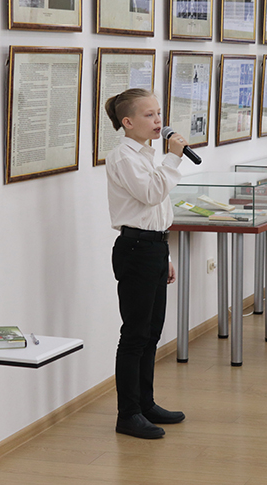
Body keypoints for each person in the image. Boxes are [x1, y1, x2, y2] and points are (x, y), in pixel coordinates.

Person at [104, 88, 188, 439]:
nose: (158, 121)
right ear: (128, 122)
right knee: (134, 335)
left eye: (158, 113)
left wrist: (165, 255)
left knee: (152, 333)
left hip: (153, 249)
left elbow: (155, 212)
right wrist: (173, 159)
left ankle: (145, 403)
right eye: (149, 115)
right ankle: (128, 414)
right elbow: (152, 194)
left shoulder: (146, 155)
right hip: (135, 250)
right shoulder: (123, 157)